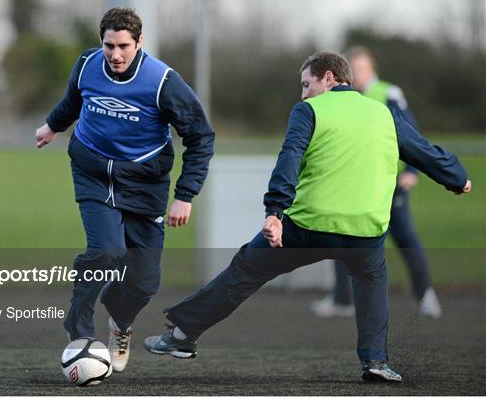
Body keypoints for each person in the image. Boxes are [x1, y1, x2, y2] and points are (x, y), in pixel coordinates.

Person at [143, 51, 471, 382]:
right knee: (372, 282)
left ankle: (181, 337)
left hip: (306, 228)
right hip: (365, 230)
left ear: (328, 77)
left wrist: (274, 212)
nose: (303, 93)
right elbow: (424, 151)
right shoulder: (384, 114)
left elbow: (290, 158)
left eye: (306, 84)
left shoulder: (308, 110)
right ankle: (375, 362)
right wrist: (458, 178)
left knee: (245, 270)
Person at [35, 7, 214, 373]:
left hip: (145, 185)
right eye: (108, 45)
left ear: (139, 43)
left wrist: (185, 194)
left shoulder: (163, 81)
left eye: (123, 46)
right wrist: (53, 126)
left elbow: (200, 137)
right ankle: (79, 328)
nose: (115, 54)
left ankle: (120, 321)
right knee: (107, 252)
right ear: (100, 41)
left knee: (145, 282)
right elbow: (73, 99)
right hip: (93, 173)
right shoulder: (87, 65)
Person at [311, 47, 442, 319]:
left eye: (361, 67)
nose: (356, 73)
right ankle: (341, 299)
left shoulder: (388, 93)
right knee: (339, 235)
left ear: (371, 69)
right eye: (352, 68)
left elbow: (411, 135)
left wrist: (412, 172)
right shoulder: (342, 98)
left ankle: (426, 295)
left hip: (387, 184)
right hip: (353, 184)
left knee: (404, 237)